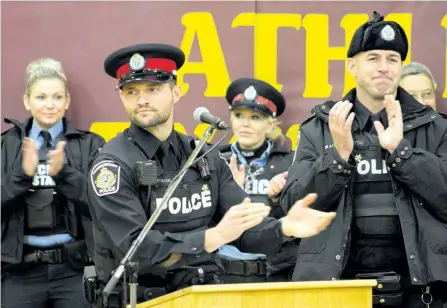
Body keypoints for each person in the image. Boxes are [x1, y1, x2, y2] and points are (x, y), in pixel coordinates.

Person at [85, 43, 336, 307]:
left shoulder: (203, 155)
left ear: (176, 92)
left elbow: (243, 226)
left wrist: (284, 228)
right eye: (131, 91)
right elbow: (134, 251)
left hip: (203, 296)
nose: (142, 99)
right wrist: (212, 237)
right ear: (122, 97)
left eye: (153, 89)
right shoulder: (111, 166)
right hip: (141, 298)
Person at [280, 11, 447, 308]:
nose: (384, 67)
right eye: (373, 58)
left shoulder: (435, 127)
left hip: (420, 291)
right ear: (352, 66)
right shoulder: (320, 128)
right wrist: (339, 157)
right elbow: (293, 206)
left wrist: (401, 153)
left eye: (392, 59)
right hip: (339, 289)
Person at [1, 58, 105, 308]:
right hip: (19, 273)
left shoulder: (90, 144)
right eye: (41, 97)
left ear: (67, 100)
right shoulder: (6, 146)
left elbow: (103, 206)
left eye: (57, 97)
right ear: (27, 100)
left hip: (74, 271)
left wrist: (65, 175)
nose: (50, 105)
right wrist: (21, 176)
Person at [217, 78, 297, 283]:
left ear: (270, 123)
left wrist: (277, 199)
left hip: (275, 272)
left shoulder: (291, 162)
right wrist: (226, 192)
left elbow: (299, 221)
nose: (245, 124)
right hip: (224, 271)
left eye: (255, 117)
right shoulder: (213, 160)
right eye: (238, 115)